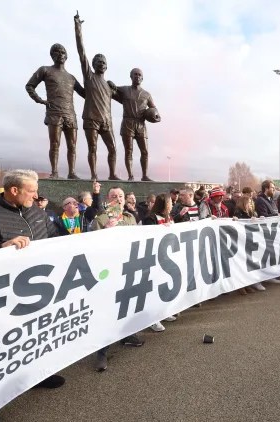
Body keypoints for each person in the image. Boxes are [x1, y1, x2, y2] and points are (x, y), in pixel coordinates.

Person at [0, 170, 65, 390]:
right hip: (6, 294)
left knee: (38, 334)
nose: (36, 196)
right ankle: (0, 390)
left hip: (41, 287)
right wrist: (0, 247)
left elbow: (55, 239)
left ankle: (38, 374)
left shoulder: (37, 212)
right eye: (32, 191)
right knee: (9, 342)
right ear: (14, 190)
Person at [90, 187, 144, 371]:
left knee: (127, 305)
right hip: (109, 272)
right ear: (108, 199)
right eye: (114, 196)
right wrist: (105, 231)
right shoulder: (100, 219)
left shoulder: (130, 218)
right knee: (108, 311)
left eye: (121, 196)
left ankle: (127, 335)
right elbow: (91, 247)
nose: (118, 199)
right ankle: (102, 352)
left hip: (128, 269)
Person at [26, 43, 85, 179]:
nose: (60, 55)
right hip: (54, 113)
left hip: (70, 114)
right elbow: (30, 86)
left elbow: (85, 94)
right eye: (57, 52)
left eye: (63, 52)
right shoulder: (45, 70)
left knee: (72, 146)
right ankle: (54, 172)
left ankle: (72, 172)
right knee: (55, 144)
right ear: (52, 55)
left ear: (67, 56)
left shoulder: (71, 77)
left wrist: (94, 85)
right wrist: (39, 100)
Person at [74, 13, 120, 180]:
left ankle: (113, 174)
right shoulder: (89, 76)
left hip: (106, 121)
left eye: (103, 62)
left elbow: (126, 98)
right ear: (93, 65)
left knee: (113, 148)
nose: (101, 64)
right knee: (92, 148)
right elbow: (81, 51)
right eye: (98, 62)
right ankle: (94, 175)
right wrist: (78, 27)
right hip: (91, 119)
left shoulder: (109, 85)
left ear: (106, 66)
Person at [108, 68, 159, 181]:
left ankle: (144, 176)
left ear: (142, 78)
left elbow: (154, 108)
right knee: (129, 151)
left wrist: (155, 116)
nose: (137, 76)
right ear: (131, 76)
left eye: (139, 75)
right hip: (128, 123)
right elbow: (112, 88)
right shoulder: (125, 90)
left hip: (141, 124)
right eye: (135, 74)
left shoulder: (146, 94)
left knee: (144, 151)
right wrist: (110, 83)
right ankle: (130, 176)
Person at [140, 193, 178, 330]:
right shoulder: (150, 218)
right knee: (153, 289)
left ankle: (162, 313)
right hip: (154, 258)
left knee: (163, 286)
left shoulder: (169, 217)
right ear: (165, 204)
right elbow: (149, 236)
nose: (173, 205)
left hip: (166, 257)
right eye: (171, 203)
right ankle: (152, 320)